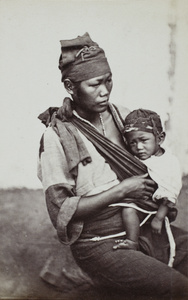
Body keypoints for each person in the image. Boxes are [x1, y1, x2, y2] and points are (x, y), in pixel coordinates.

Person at [38, 32, 188, 298]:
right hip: (100, 243)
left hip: (144, 224)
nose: (105, 91)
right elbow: (62, 211)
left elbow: (154, 161)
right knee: (176, 288)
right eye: (95, 84)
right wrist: (121, 191)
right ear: (71, 87)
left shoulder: (121, 116)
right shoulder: (56, 137)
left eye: (108, 81)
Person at [111, 108, 182, 253]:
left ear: (160, 138)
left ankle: (132, 241)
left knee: (128, 209)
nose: (138, 147)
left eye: (144, 140)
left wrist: (159, 218)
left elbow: (170, 193)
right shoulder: (138, 158)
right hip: (142, 200)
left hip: (158, 206)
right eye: (132, 143)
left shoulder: (168, 163)